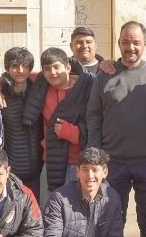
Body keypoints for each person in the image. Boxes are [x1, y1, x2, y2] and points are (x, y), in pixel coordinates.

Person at [86, 21, 146, 237]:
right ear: (119, 44)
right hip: (113, 162)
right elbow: (94, 116)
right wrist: (97, 157)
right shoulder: (105, 75)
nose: (130, 47)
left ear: (144, 44)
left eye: (136, 43)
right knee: (111, 218)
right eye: (126, 42)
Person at [24, 47, 95, 191]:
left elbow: (95, 123)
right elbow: (14, 77)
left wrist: (71, 133)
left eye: (57, 67)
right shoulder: (40, 87)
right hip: (51, 162)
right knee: (50, 211)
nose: (53, 73)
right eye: (47, 69)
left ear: (68, 67)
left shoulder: (87, 87)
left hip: (80, 162)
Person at [0, 47, 44, 200]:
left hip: (38, 167)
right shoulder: (0, 94)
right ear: (7, 68)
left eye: (25, 65)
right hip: (12, 168)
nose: (20, 70)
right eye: (15, 66)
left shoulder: (38, 88)